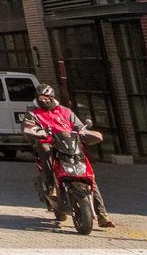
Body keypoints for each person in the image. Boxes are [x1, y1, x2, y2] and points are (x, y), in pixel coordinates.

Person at [27, 84, 115, 228]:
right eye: (40, 98)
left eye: (46, 98)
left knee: (88, 175)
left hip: (69, 145)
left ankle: (102, 215)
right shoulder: (32, 112)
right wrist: (36, 131)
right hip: (49, 144)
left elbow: (79, 126)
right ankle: (51, 186)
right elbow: (28, 125)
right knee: (43, 147)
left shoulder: (65, 111)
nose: (43, 101)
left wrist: (85, 133)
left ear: (52, 98)